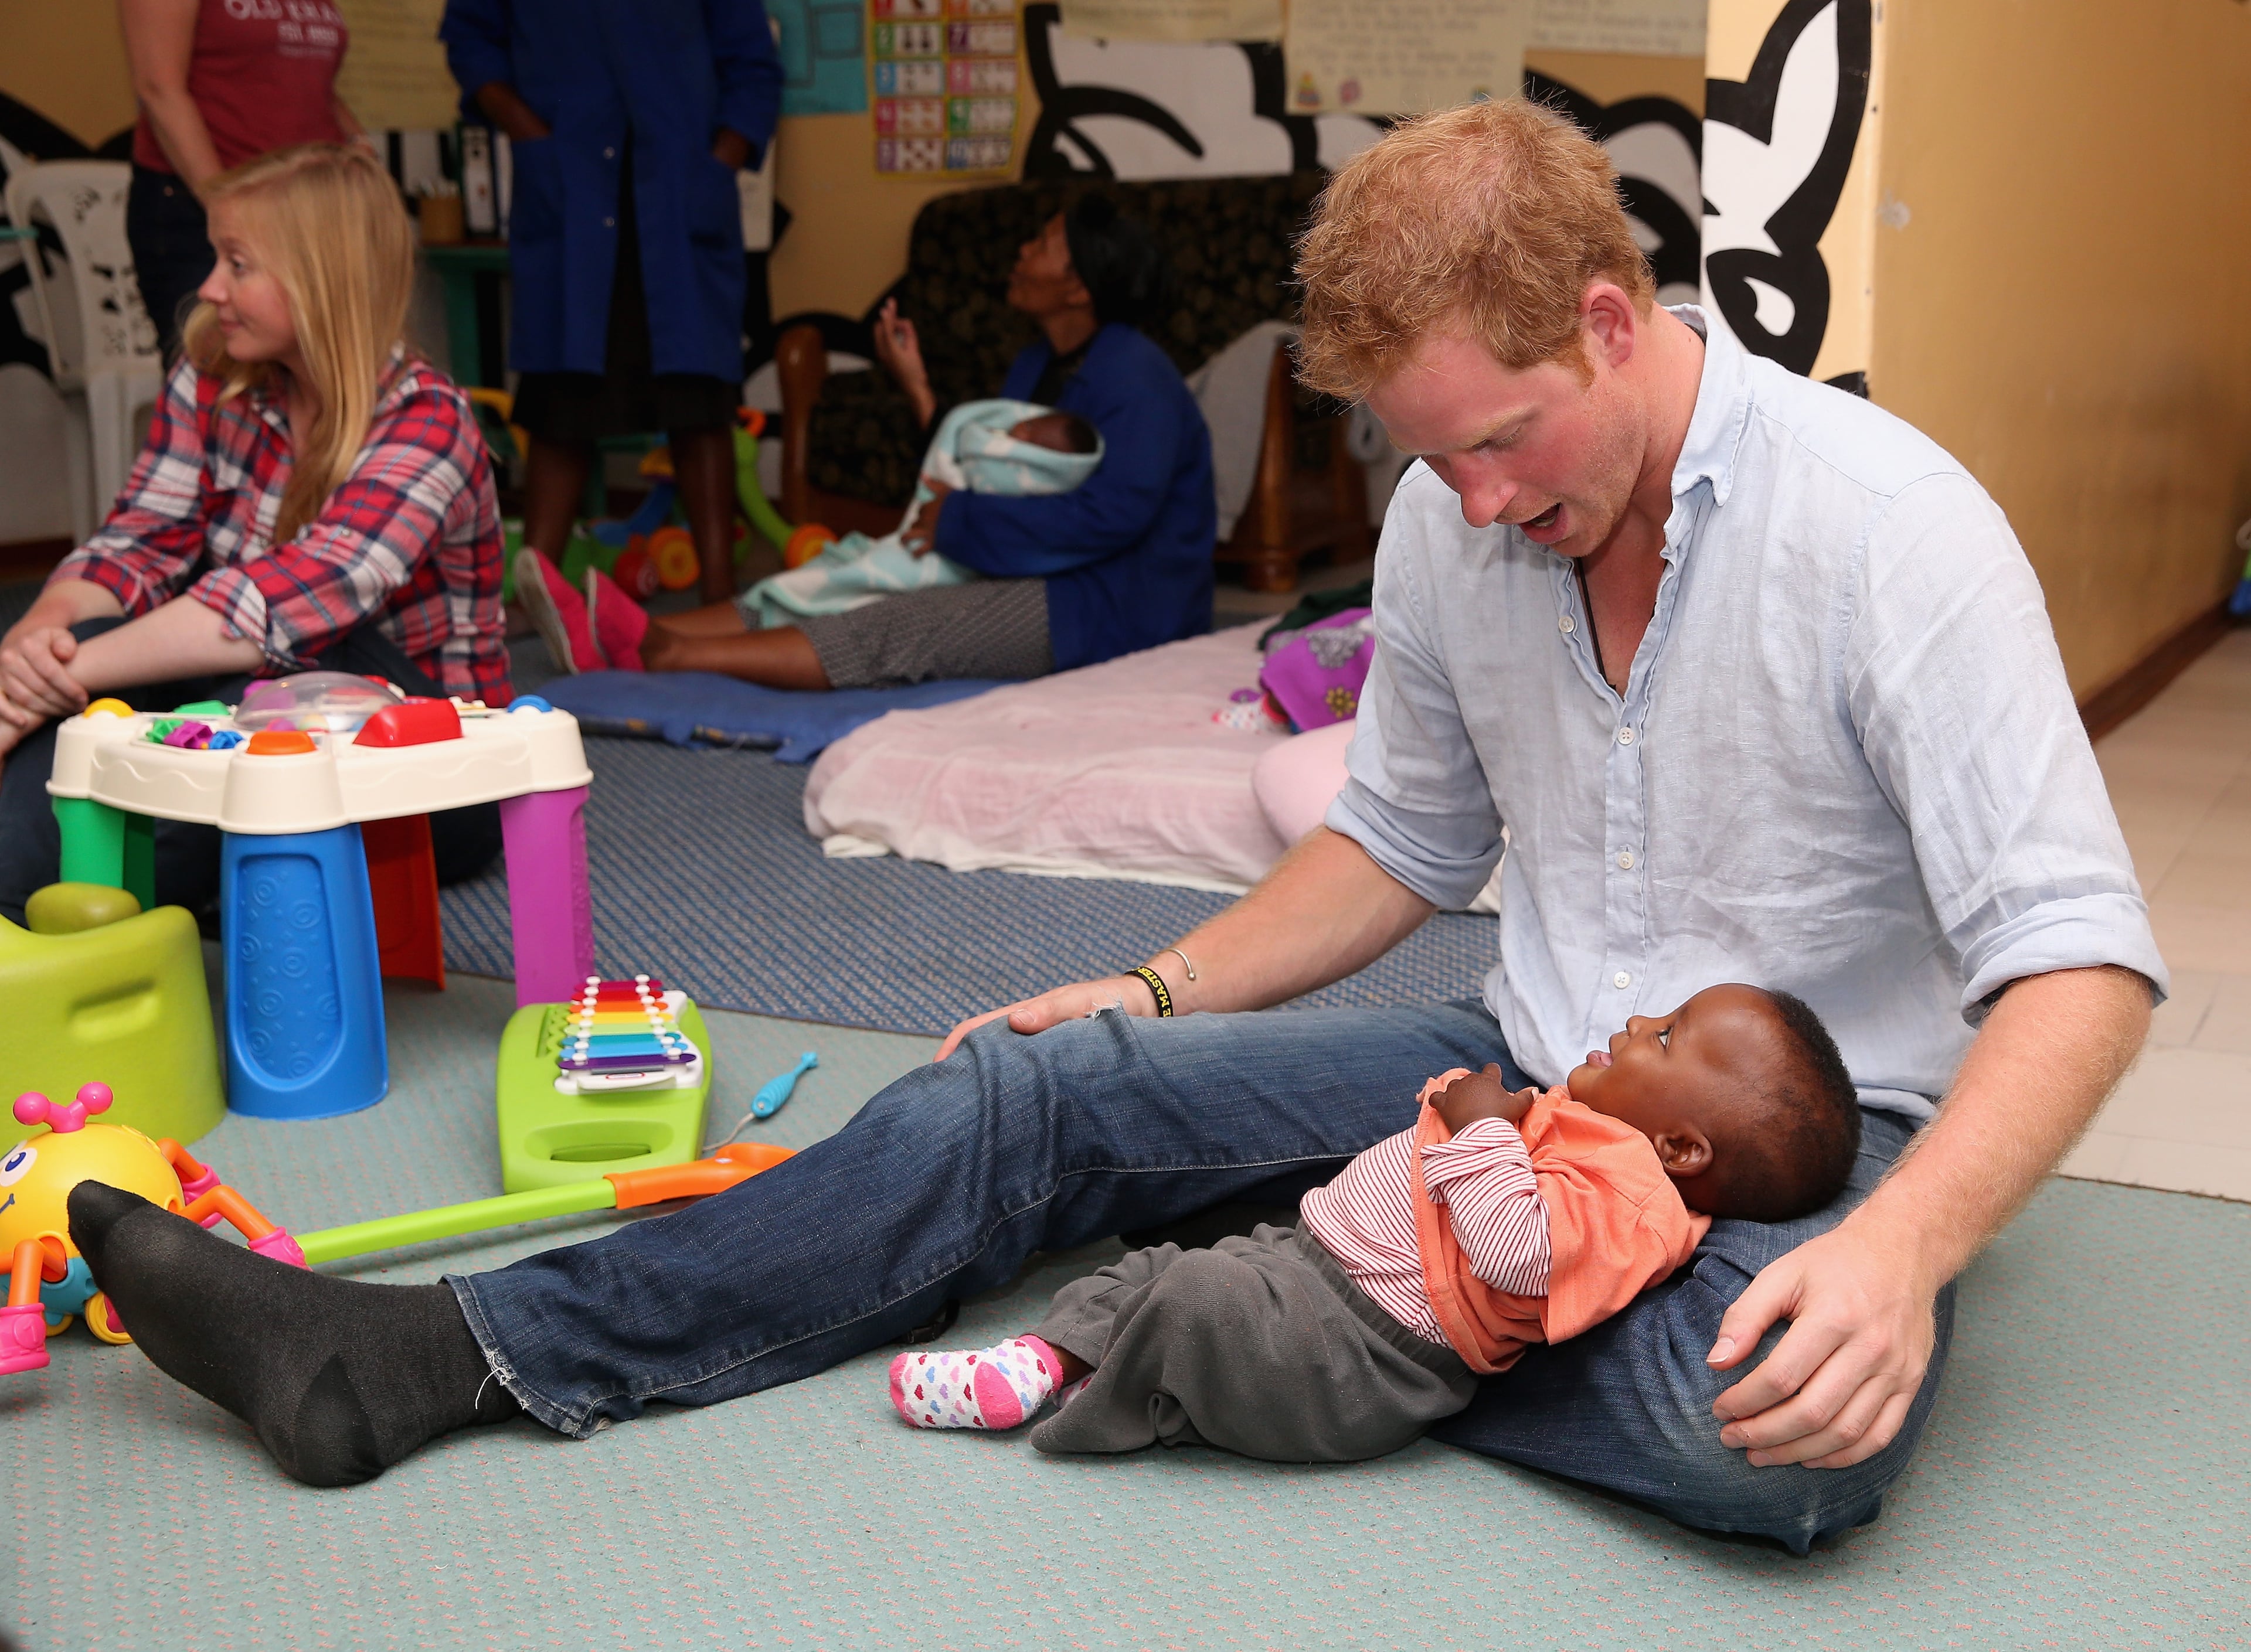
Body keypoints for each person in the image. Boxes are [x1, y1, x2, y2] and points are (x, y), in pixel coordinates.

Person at [63, 100, 2158, 1557]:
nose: (1484, 508)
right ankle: (436, 1350)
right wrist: (1152, 986)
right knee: (1031, 1090)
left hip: (1807, 1136)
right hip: (1515, 1075)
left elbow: (2080, 963)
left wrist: (1898, 1249)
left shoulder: (1891, 536)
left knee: (1773, 1444)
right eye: (1442, 467)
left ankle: (1257, 1311)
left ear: (1612, 322)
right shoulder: (1453, 512)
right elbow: (1394, 853)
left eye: (1508, 446)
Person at [890, 985, 1858, 1459]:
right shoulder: (1596, 1127)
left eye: (1668, 1036)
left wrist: (1481, 1127)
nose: (1639, 1021)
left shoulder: (1639, 1199)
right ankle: (1036, 1361)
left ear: (1684, 1149)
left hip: (1366, 1343)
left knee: (1197, 1302)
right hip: (1314, 1264)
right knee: (1159, 1267)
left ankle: (1089, 1406)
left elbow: (1520, 1254)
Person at [0, 144, 508, 925]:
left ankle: (57, 880)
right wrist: (42, 635)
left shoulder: (428, 421)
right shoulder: (216, 374)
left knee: (299, 662)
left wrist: (54, 685)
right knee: (99, 632)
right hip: (263, 697)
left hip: (430, 768)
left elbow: (279, 607)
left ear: (321, 280)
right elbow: (139, 538)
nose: (210, 288)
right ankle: (31, 861)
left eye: (238, 264)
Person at [520, 199, 1216, 690]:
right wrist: (919, 394)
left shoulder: (1136, 377)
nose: (1023, 253)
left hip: (1113, 604)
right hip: (1039, 564)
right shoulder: (1039, 362)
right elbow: (994, 469)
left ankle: (664, 651)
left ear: (1077, 284)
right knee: (841, 571)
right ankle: (620, 626)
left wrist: (961, 521)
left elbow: (1111, 517)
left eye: (1042, 244)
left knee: (899, 621)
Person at [440, 0, 783, 609]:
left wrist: (717, 162)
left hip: (679, 191)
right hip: (571, 185)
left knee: (700, 396)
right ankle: (532, 594)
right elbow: (470, 41)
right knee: (562, 395)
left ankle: (720, 591)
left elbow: (755, 66)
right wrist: (525, 128)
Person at [516, 403, 1106, 677]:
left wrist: (961, 514)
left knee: (831, 590)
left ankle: (636, 641)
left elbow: (1011, 501)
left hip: (951, 564)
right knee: (796, 581)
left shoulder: (1057, 474)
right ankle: (602, 631)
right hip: (927, 541)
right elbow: (952, 466)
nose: (1012, 432)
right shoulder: (1039, 377)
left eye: (1028, 435)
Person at [120, 0, 361, 357]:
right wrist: (226, 210)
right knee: (224, 380)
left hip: (311, 212)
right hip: (204, 209)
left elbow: (310, 85)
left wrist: (360, 149)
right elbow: (159, 88)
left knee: (331, 369)